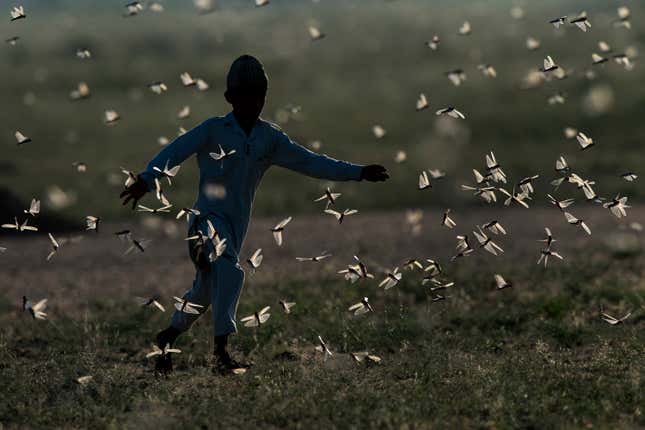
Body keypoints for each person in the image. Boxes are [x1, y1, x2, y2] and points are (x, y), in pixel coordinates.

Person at [120, 54, 389, 374]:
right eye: (244, 96)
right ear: (229, 98)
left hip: (235, 227)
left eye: (257, 96)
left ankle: (167, 336)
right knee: (230, 272)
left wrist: (358, 172)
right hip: (204, 223)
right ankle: (220, 355)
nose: (251, 103)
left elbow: (312, 162)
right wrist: (147, 179)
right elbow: (174, 152)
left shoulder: (269, 139)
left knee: (206, 291)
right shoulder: (212, 130)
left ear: (265, 98)